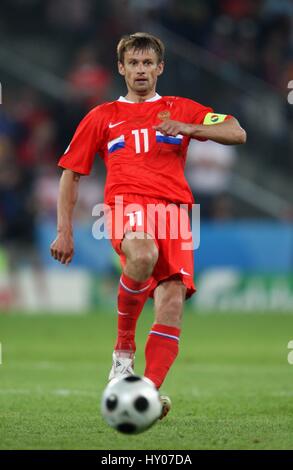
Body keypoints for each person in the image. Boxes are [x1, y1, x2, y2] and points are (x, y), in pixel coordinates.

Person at [50, 32, 246, 419]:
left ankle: (144, 394)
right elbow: (71, 175)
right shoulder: (102, 116)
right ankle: (123, 353)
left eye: (147, 63)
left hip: (175, 214)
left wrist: (188, 128)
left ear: (160, 68)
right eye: (133, 64)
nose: (141, 70)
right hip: (126, 206)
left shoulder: (180, 108)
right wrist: (65, 230)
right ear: (121, 68)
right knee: (142, 251)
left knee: (171, 303)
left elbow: (236, 131)